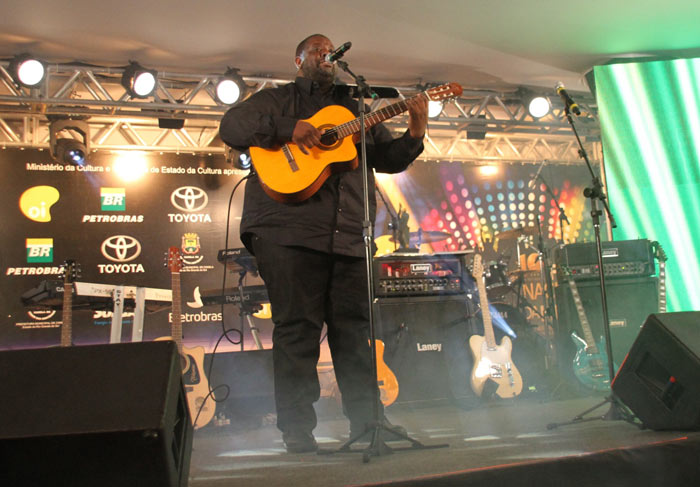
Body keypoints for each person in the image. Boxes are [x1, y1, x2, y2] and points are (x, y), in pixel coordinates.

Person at [219, 34, 428, 453]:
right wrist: (288, 128)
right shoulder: (276, 100)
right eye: (316, 50)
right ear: (299, 60)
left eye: (330, 50)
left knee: (354, 333)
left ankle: (369, 423)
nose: (325, 55)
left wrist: (416, 130)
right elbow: (231, 126)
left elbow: (388, 158)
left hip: (350, 234)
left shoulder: (355, 111)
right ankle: (297, 433)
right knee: (297, 330)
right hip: (287, 232)